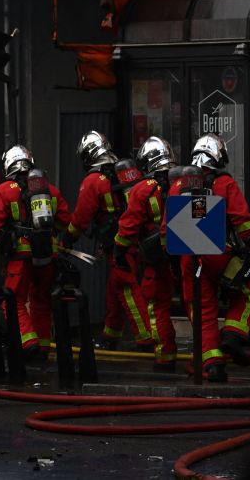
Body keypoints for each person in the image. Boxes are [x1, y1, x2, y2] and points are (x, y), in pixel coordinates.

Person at [170, 134, 250, 382]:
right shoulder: (225, 183)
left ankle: (214, 366)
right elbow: (241, 219)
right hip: (219, 253)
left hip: (189, 259)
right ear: (218, 156)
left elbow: (166, 230)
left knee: (202, 311)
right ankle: (233, 335)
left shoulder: (178, 186)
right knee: (245, 293)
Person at [0, 145, 69, 359]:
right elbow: (64, 221)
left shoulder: (5, 190)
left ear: (9, 165)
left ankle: (28, 343)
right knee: (41, 299)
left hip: (21, 256)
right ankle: (44, 347)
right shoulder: (50, 190)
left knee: (13, 300)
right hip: (47, 255)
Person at [63, 131, 153, 350]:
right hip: (135, 240)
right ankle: (110, 335)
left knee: (126, 289)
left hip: (120, 243)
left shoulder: (93, 180)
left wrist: (68, 237)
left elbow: (82, 217)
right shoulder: (123, 174)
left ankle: (146, 339)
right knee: (115, 287)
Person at [113, 136, 178, 372]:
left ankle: (165, 358)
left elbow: (129, 224)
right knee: (198, 306)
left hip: (157, 259)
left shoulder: (143, 189)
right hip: (189, 256)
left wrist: (119, 249)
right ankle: (209, 355)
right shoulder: (184, 182)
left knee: (157, 306)